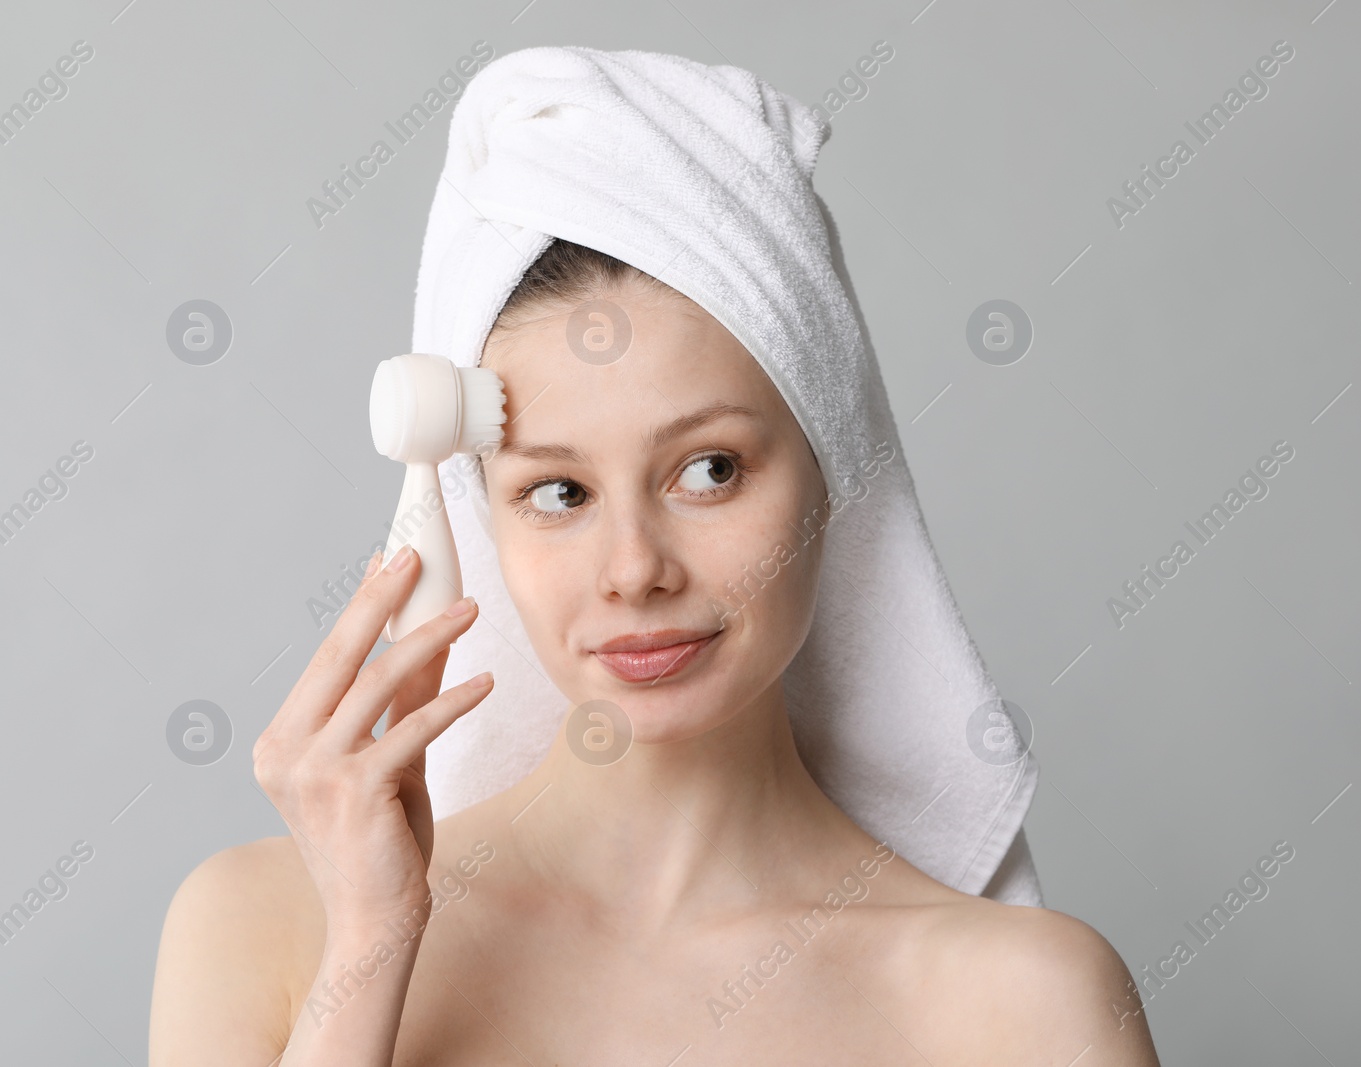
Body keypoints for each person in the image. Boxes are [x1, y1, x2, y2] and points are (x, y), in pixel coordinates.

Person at [148, 237, 1161, 1065]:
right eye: (559, 492)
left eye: (709, 469)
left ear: (831, 471)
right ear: (479, 520)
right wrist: (369, 948)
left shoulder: (1023, 1003)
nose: (633, 569)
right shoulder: (264, 924)